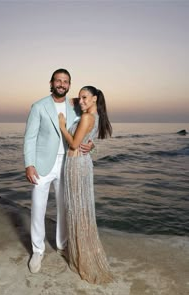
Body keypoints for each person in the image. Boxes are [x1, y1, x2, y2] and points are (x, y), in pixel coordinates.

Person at [23, 69, 92, 273]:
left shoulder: (76, 107)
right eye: (58, 80)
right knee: (38, 207)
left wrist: (92, 145)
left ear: (69, 85)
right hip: (43, 164)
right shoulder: (39, 106)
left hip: (69, 163)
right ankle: (37, 250)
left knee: (65, 206)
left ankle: (62, 245)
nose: (61, 84)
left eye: (65, 81)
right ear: (51, 83)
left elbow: (85, 131)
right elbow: (30, 137)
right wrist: (29, 163)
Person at [58, 86, 113, 284]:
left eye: (85, 97)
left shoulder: (88, 117)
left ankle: (81, 255)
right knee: (80, 208)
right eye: (79, 97)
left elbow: (73, 144)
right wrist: (75, 98)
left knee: (77, 208)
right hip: (83, 163)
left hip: (76, 164)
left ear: (95, 98)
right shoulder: (95, 115)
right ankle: (80, 250)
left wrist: (63, 126)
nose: (80, 101)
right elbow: (86, 139)